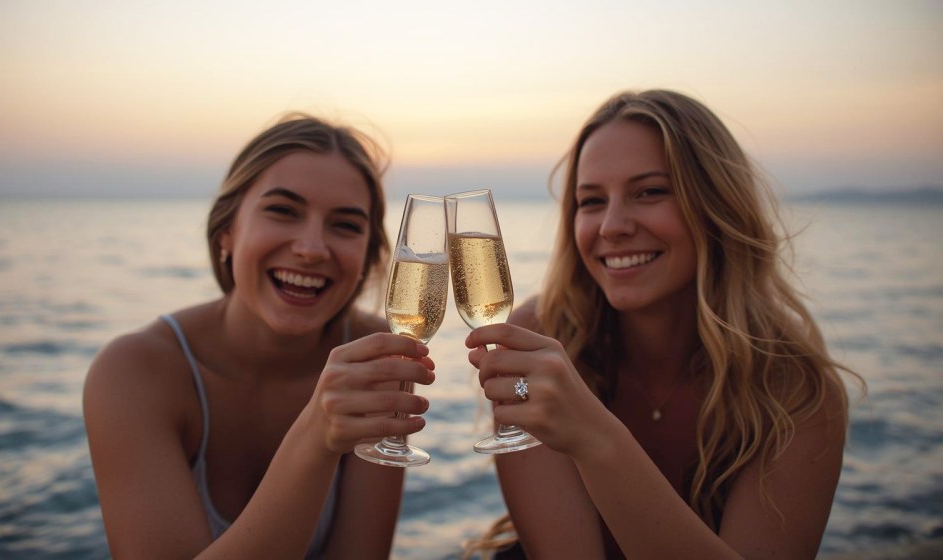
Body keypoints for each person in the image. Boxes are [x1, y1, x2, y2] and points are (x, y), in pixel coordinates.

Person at [463, 90, 861, 558]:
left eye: (649, 191)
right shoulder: (545, 340)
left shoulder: (796, 391)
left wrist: (596, 440)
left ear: (716, 206)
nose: (612, 226)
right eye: (590, 201)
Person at [83, 114, 435, 558]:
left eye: (345, 225)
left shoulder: (375, 359)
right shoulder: (134, 372)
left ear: (368, 255)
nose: (311, 248)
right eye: (283, 211)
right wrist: (313, 438)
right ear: (227, 231)